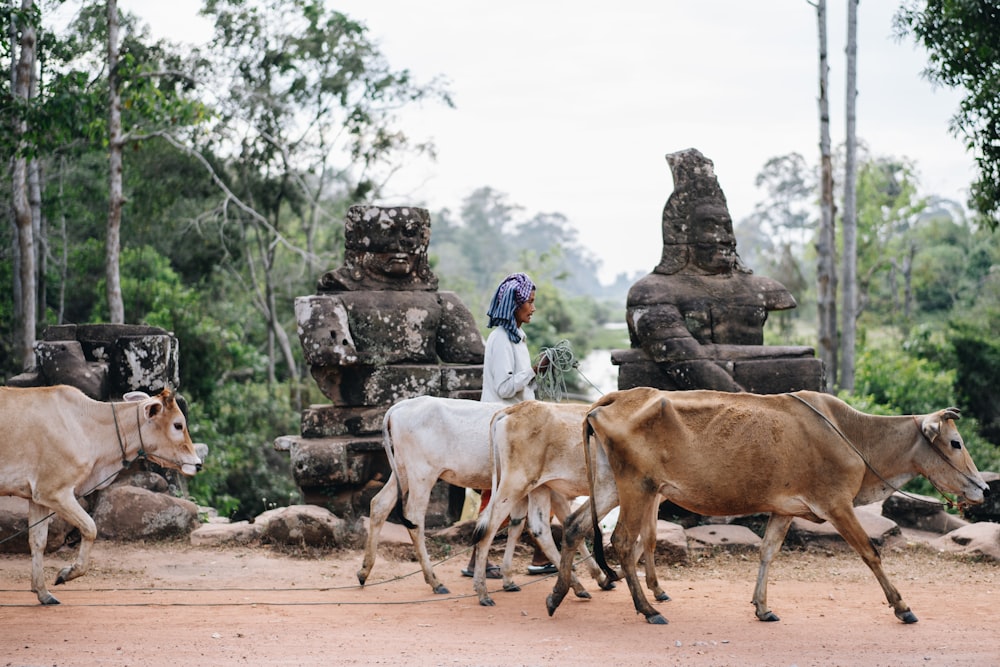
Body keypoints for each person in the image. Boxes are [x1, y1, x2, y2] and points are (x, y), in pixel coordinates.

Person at [462, 272, 555, 578]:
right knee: (519, 490)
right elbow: (504, 389)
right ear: (513, 305)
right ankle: (484, 558)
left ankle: (540, 554)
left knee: (535, 489)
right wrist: (533, 369)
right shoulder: (502, 339)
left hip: (518, 424)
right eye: (529, 302)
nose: (532, 308)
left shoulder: (516, 337)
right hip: (506, 426)